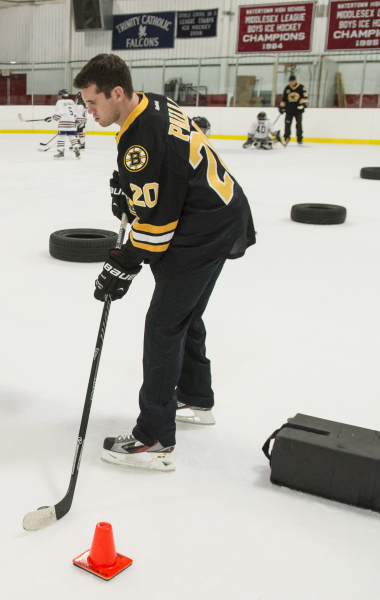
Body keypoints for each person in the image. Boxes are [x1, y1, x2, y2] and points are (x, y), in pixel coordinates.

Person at [73, 53, 255, 472]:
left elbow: (156, 229)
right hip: (221, 214)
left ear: (116, 92)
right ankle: (196, 397)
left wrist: (122, 265)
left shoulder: (144, 139)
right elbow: (165, 172)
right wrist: (125, 186)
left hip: (200, 232)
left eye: (93, 102)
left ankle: (153, 438)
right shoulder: (150, 103)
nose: (89, 111)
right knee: (184, 317)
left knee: (162, 327)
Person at [46, 89, 80, 159]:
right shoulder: (71, 101)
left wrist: (50, 119)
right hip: (72, 123)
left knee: (61, 137)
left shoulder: (60, 102)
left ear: (60, 95)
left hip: (63, 124)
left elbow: (57, 115)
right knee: (72, 137)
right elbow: (75, 113)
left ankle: (61, 152)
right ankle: (76, 148)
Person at [280, 75, 307, 145]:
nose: (292, 83)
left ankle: (299, 138)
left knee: (298, 125)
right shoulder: (287, 88)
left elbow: (305, 97)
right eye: (291, 81)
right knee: (287, 124)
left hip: (298, 110)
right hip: (289, 110)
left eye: (293, 81)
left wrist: (302, 105)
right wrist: (281, 107)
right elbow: (284, 99)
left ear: (296, 80)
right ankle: (286, 137)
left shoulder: (301, 87)